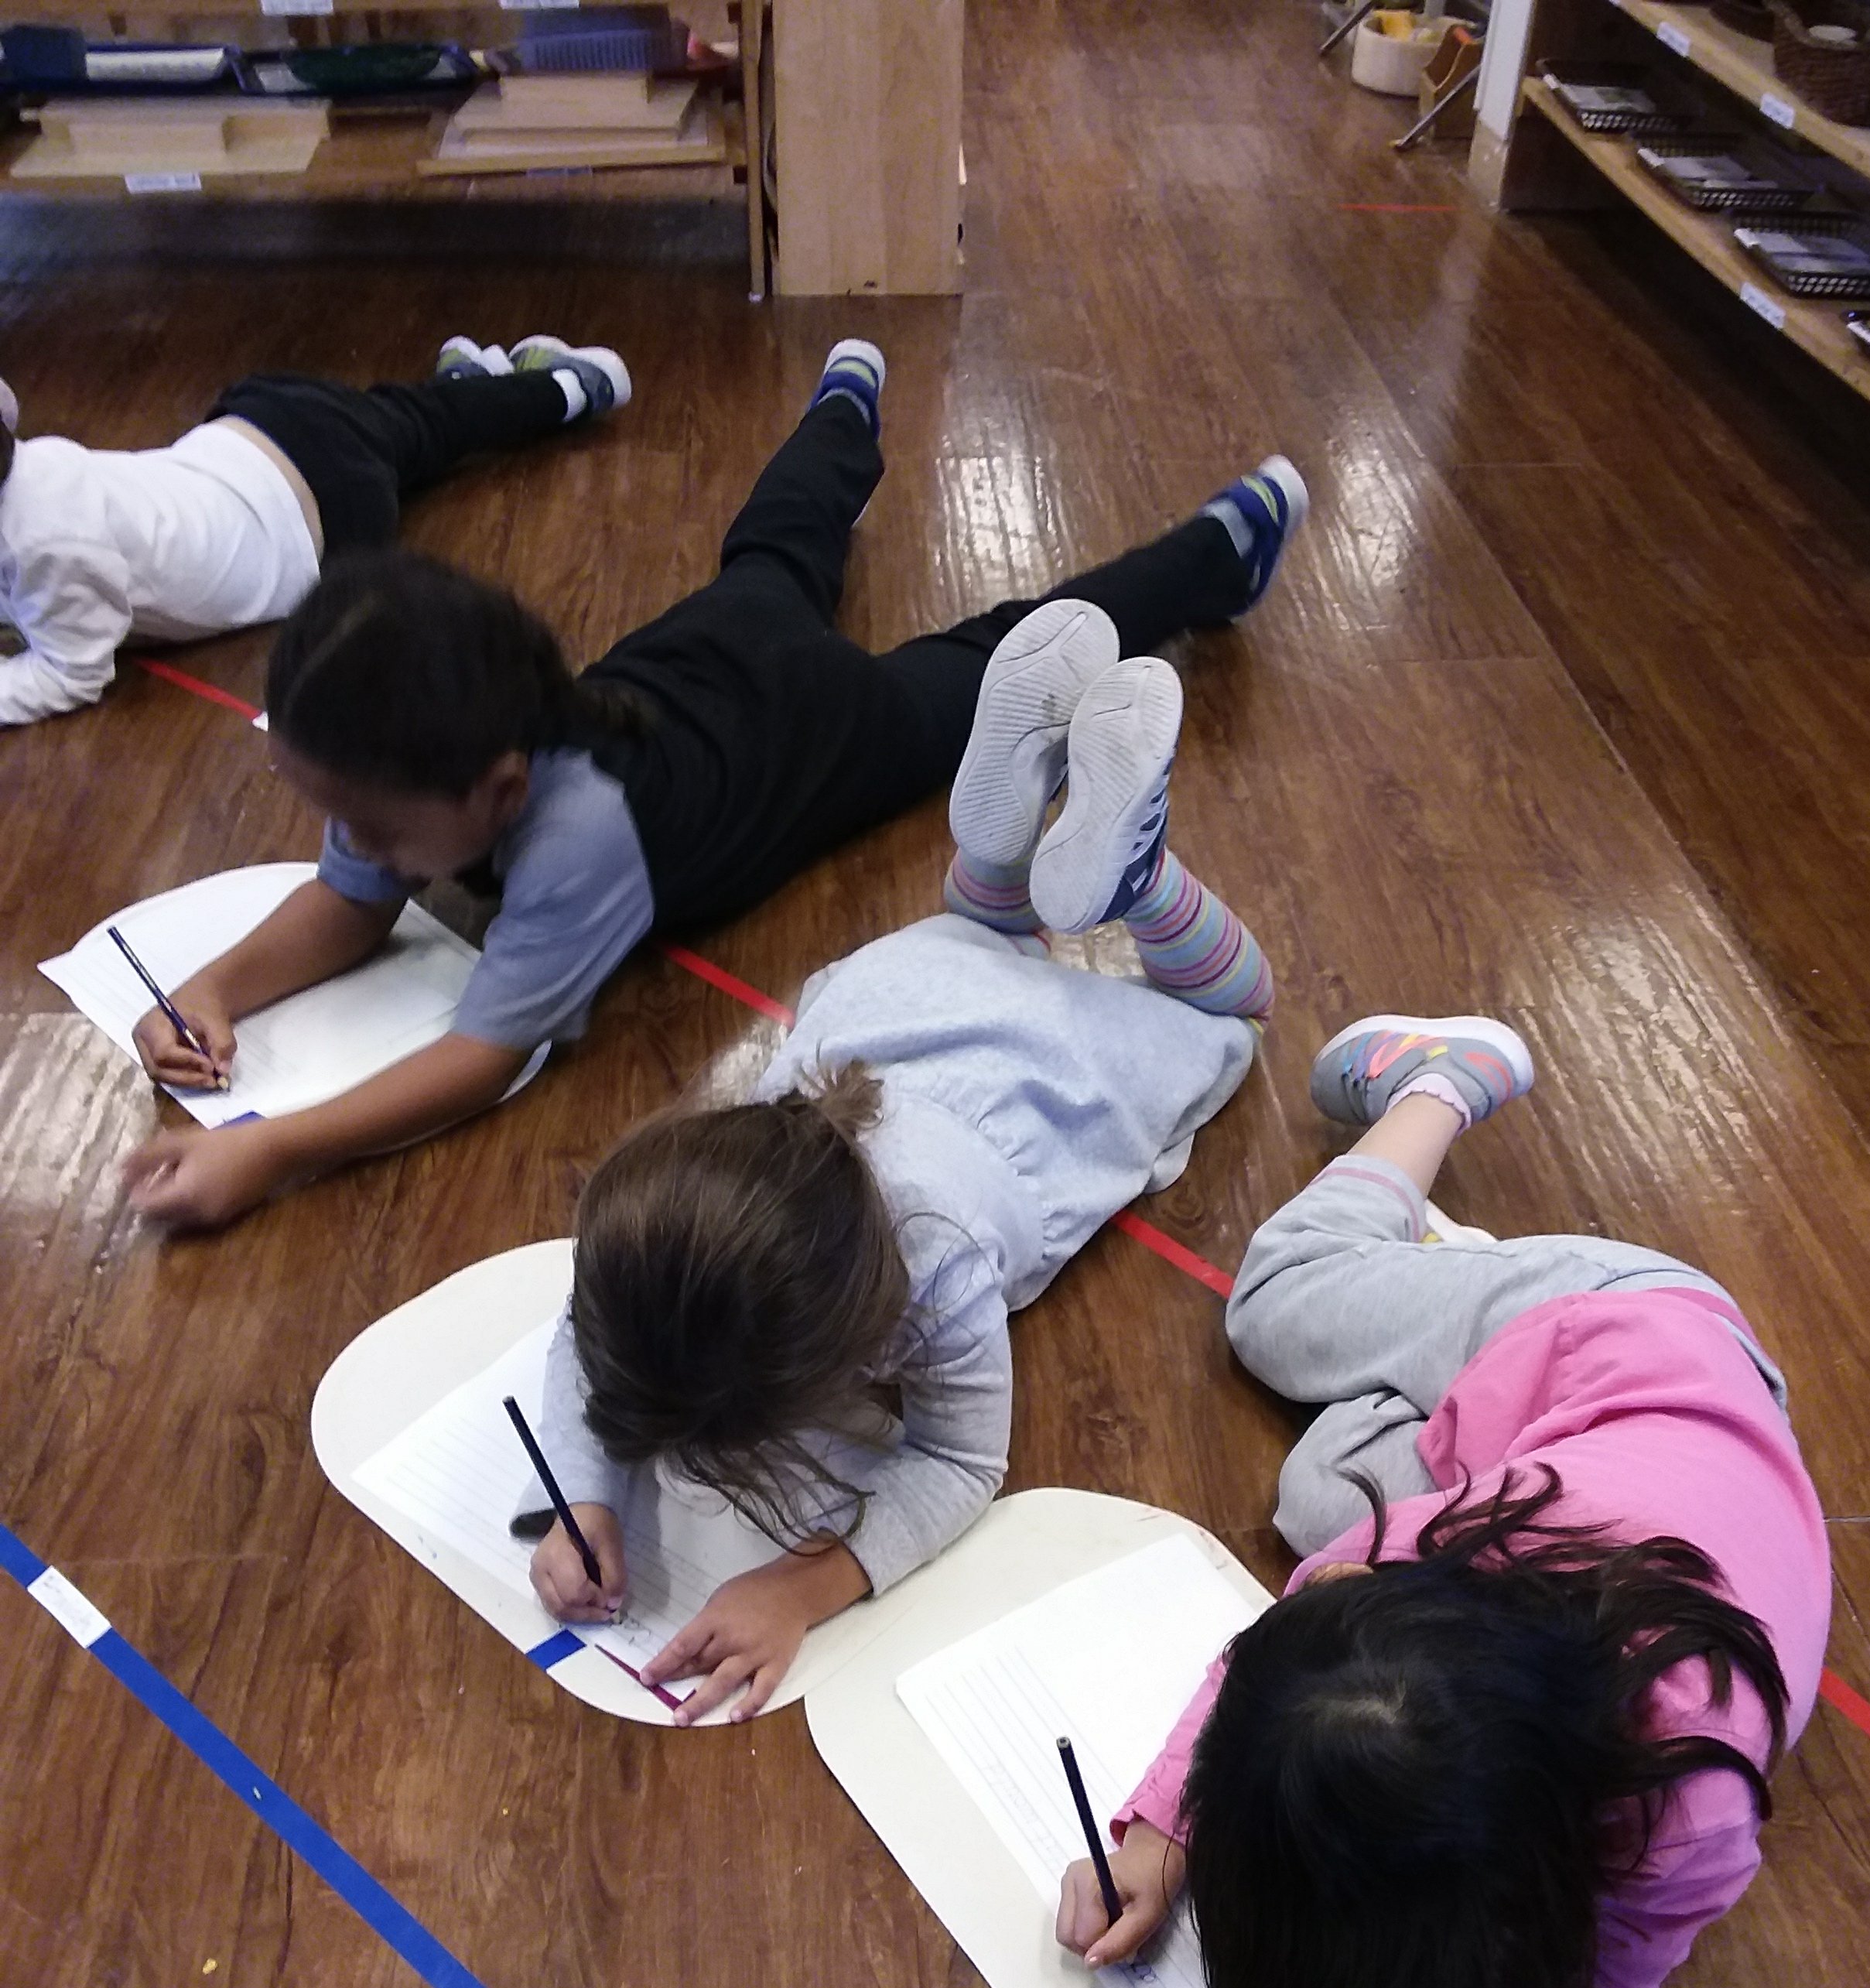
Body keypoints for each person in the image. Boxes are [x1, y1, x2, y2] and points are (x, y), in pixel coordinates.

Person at [118, 340, 1306, 1230]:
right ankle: (843, 404)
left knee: (996, 656)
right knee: (774, 550)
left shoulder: (577, 838)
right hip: (704, 652)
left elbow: (483, 1057)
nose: (354, 846)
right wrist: (215, 987)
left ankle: (1215, 555)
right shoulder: (420, 750)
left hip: (812, 733)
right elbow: (352, 898)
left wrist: (272, 1149)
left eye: (371, 827)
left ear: (500, 788)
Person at [1057, 1014, 1830, 1988]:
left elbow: (1614, 1975)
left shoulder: (1692, 1812)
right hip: (1614, 1382)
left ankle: (1432, 1181)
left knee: (1296, 1398)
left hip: (1613, 1384)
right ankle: (1436, 1188)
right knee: (1296, 1408)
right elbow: (1283, 1652)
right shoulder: (1400, 1570)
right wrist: (1164, 1821)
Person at [518, 601, 1276, 1721]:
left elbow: (963, 1463)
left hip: (1042, 1082)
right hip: (901, 1007)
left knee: (1239, 1008)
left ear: (845, 1353)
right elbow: (592, 1330)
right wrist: (585, 1496)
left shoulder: (936, 1266)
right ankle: (998, 860)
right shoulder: (686, 1210)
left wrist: (800, 1585)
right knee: (974, 942)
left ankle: (1138, 885)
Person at [0, 332, 627, 726]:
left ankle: (572, 388)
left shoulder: (44, 545)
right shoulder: (40, 468)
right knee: (418, 425)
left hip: (326, 500)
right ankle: (470, 387)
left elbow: (73, 673)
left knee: (422, 430)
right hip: (254, 425)